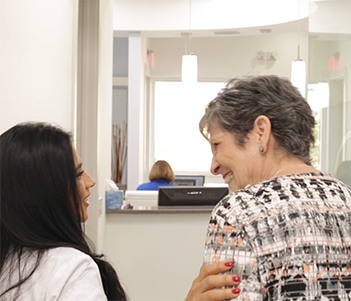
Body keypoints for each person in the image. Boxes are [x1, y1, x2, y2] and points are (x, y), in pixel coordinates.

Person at [0, 122, 241, 301]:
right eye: (77, 174)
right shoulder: (69, 268)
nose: (91, 181)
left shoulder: (11, 263)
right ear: (45, 191)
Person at [198, 75, 351, 300]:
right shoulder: (347, 198)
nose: (214, 166)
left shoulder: (238, 213)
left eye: (217, 145)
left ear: (261, 131)